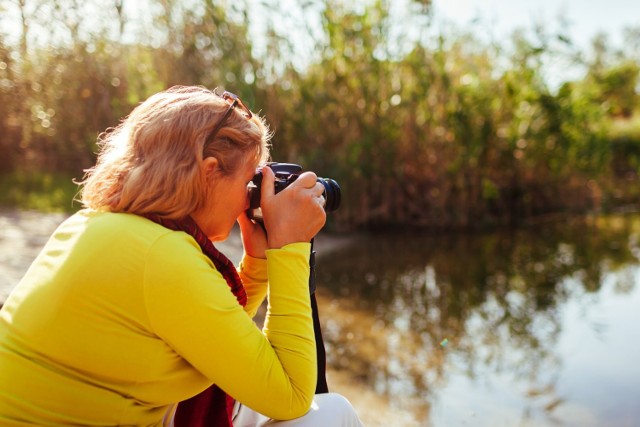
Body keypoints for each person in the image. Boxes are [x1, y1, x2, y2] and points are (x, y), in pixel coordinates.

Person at [0, 85, 364, 426]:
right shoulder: (164, 258)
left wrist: (258, 263)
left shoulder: (93, 224)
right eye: (247, 183)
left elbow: (211, 336)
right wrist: (289, 247)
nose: (249, 199)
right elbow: (293, 393)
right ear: (208, 173)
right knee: (331, 415)